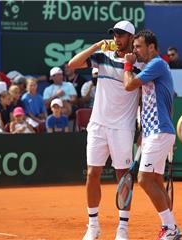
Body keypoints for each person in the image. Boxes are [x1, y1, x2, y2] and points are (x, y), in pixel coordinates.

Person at [68, 20, 144, 240]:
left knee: (123, 178)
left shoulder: (139, 66)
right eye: (114, 34)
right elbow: (73, 64)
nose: (116, 38)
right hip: (98, 125)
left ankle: (123, 228)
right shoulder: (102, 57)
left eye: (121, 35)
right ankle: (93, 226)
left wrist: (141, 130)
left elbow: (141, 100)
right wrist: (95, 46)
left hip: (123, 128)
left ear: (131, 38)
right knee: (92, 174)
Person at [123, 29, 182, 240]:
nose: (135, 50)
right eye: (134, 47)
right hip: (153, 133)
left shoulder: (157, 64)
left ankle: (171, 227)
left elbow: (129, 85)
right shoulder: (152, 67)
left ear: (151, 47)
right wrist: (144, 132)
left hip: (159, 132)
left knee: (144, 179)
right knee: (155, 180)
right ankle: (171, 226)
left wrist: (127, 65)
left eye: (138, 47)